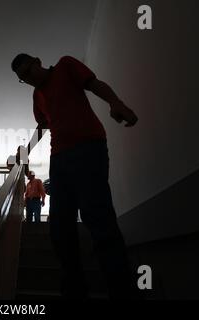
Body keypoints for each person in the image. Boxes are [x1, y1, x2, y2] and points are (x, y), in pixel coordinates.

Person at [11, 53, 139, 299]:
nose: (28, 79)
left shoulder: (65, 66)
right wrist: (25, 152)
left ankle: (123, 290)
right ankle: (75, 289)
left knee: (97, 216)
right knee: (59, 227)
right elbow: (42, 127)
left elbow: (94, 84)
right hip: (59, 159)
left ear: (37, 61)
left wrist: (116, 103)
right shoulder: (37, 96)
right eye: (23, 78)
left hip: (89, 148)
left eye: (28, 72)